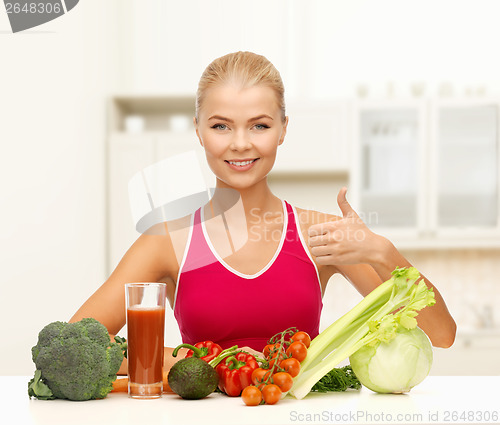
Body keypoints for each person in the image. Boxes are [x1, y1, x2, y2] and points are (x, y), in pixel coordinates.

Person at [70, 51, 456, 373]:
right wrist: (191, 360)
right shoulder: (166, 242)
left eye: (259, 125)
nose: (240, 144)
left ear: (283, 129)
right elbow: (75, 343)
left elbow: (440, 335)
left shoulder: (319, 234)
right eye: (221, 126)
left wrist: (382, 252)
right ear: (199, 131)